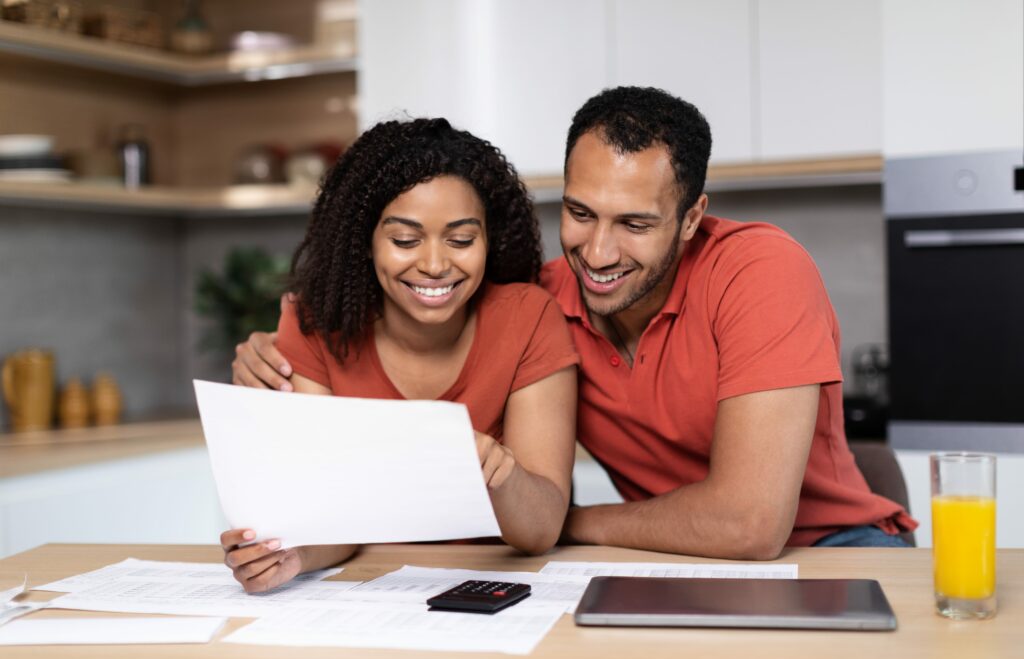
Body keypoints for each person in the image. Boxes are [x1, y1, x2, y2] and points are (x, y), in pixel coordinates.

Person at [232, 87, 917, 560]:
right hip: (665, 557)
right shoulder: (540, 304)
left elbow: (750, 523)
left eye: (636, 223)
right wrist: (277, 349)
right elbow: (421, 313)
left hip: (834, 549)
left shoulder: (761, 270)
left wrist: (566, 520)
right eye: (582, 213)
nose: (598, 251)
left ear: (692, 218)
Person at [221, 118, 579, 593]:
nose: (434, 265)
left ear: (488, 242)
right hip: (369, 589)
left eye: (461, 239)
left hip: (492, 584)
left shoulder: (529, 318)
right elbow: (330, 514)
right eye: (405, 240)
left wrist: (501, 471)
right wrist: (290, 556)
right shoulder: (315, 326)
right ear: (365, 242)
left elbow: (540, 531)